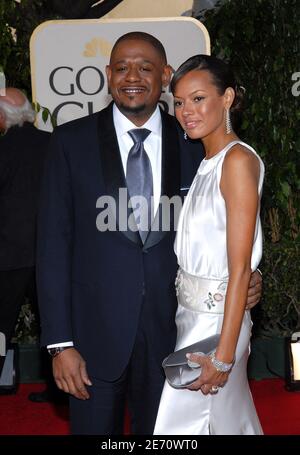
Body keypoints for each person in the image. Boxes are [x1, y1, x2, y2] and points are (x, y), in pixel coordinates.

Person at [36, 32, 262, 435]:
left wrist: (250, 276)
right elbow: (52, 246)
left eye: (145, 67)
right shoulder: (70, 142)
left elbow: (230, 227)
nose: (132, 76)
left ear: (165, 74)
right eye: (121, 68)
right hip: (92, 339)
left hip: (175, 338)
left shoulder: (197, 141)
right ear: (108, 75)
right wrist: (60, 343)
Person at [154, 55, 264, 435]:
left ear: (228, 97)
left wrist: (223, 357)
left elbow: (239, 268)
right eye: (180, 102)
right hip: (192, 318)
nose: (187, 111)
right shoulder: (209, 161)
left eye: (198, 99)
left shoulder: (236, 161)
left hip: (218, 327)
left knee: (181, 425)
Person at [0, 88, 49, 378]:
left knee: (0, 325)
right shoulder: (55, 144)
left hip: (8, 253)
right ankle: (57, 391)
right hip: (49, 252)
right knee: (52, 323)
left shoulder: (3, 151)